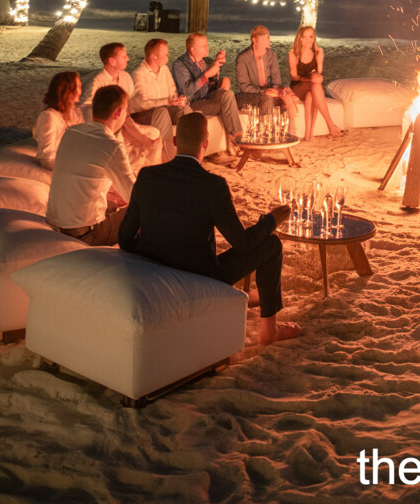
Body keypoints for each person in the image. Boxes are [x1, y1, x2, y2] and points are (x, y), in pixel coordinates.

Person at [118, 112, 302, 346]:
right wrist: (271, 221)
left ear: (174, 141)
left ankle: (256, 299)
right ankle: (270, 331)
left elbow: (124, 239)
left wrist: (152, 256)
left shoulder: (147, 176)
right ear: (205, 143)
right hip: (202, 275)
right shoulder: (213, 185)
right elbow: (242, 243)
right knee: (271, 244)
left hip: (155, 266)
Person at [46, 85, 135, 245]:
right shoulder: (111, 145)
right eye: (125, 111)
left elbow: (87, 174)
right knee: (142, 211)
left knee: (113, 204)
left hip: (55, 222)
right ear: (117, 112)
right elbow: (135, 195)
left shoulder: (71, 133)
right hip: (85, 232)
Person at [85, 42, 163, 168]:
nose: (128, 58)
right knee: (125, 143)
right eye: (124, 56)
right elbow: (88, 108)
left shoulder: (125, 77)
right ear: (112, 61)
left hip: (126, 122)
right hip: (110, 128)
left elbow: (131, 104)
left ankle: (148, 170)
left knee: (154, 133)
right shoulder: (98, 82)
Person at [172, 33, 244, 160]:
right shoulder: (180, 65)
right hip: (190, 104)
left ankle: (237, 137)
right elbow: (186, 91)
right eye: (204, 46)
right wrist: (206, 75)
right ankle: (234, 142)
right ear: (193, 49)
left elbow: (210, 86)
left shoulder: (202, 62)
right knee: (226, 97)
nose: (207, 48)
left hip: (204, 99)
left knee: (227, 94)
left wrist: (217, 66)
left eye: (207, 44)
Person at [131, 38, 187, 158]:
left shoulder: (164, 69)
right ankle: (172, 155)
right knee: (166, 111)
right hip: (143, 114)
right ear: (154, 57)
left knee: (185, 110)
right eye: (165, 54)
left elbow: (172, 90)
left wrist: (177, 101)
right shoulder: (138, 74)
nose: (168, 57)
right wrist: (168, 102)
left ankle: (187, 148)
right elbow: (142, 103)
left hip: (164, 109)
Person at [235, 25, 299, 126]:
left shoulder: (271, 55)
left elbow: (276, 79)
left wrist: (277, 89)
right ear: (254, 40)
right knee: (268, 98)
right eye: (266, 38)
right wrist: (263, 91)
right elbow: (243, 86)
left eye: (269, 37)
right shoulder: (243, 58)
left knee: (287, 95)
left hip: (269, 92)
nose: (269, 41)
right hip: (250, 94)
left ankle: (290, 130)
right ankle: (268, 132)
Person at [289, 26, 343, 141]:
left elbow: (319, 72)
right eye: (306, 37)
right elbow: (294, 77)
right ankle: (330, 124)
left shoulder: (316, 53)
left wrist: (320, 56)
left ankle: (309, 134)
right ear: (300, 39)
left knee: (311, 96)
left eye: (312, 37)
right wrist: (312, 79)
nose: (309, 40)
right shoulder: (293, 54)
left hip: (311, 86)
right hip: (298, 86)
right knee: (316, 86)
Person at [33, 71, 84, 170]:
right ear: (68, 90)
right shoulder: (48, 117)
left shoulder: (70, 113)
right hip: (58, 164)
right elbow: (46, 158)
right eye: (78, 87)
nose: (80, 91)